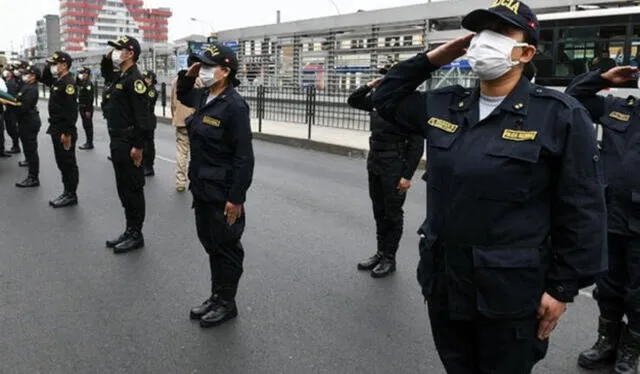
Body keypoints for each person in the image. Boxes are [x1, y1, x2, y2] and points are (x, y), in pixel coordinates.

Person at [371, 1, 607, 373]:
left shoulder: (560, 115)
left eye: (499, 33)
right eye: (480, 32)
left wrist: (562, 289)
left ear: (526, 52)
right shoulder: (447, 104)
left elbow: (583, 209)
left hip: (511, 293)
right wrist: (435, 57)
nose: (483, 41)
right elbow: (382, 98)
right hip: (446, 282)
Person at [567, 65, 640, 374]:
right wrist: (601, 79)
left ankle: (630, 351)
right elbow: (572, 100)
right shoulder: (619, 108)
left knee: (638, 292)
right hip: (610, 217)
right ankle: (606, 343)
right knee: (607, 285)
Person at [176, 43, 254, 328]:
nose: (204, 70)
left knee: (227, 247)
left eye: (209, 66)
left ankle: (227, 302)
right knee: (211, 244)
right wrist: (189, 72)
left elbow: (244, 157)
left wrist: (236, 198)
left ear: (225, 71)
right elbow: (183, 94)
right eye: (202, 65)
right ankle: (216, 295)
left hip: (223, 193)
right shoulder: (205, 96)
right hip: (203, 188)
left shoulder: (234, 106)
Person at [347, 65, 424, 278]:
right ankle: (380, 252)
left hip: (395, 163)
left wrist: (407, 175)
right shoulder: (379, 98)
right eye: (384, 77)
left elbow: (417, 144)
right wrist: (370, 85)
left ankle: (390, 258)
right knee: (378, 210)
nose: (386, 80)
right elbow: (353, 100)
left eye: (390, 77)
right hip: (375, 161)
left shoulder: (410, 101)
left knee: (393, 213)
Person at [101, 35, 152, 253]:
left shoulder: (135, 80)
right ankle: (129, 228)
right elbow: (106, 73)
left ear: (130, 53)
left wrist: (139, 146)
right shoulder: (120, 76)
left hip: (129, 140)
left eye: (118, 49)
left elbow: (144, 117)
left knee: (133, 188)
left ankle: (136, 233)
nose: (115, 52)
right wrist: (106, 57)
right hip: (117, 140)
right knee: (123, 188)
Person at [41, 52, 80, 208]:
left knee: (68, 162)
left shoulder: (68, 83)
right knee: (61, 162)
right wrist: (46, 65)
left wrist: (67, 133)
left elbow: (71, 111)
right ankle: (66, 191)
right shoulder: (59, 81)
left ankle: (71, 194)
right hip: (56, 127)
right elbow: (45, 79)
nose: (54, 66)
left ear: (64, 65)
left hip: (64, 129)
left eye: (56, 64)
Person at [171, 55, 201, 192]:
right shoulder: (200, 81)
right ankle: (196, 180)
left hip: (180, 120)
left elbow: (172, 102)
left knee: (181, 153)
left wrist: (175, 116)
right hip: (195, 120)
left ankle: (180, 182)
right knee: (197, 152)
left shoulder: (176, 80)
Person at [13, 65, 41, 188]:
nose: (25, 75)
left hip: (29, 122)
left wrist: (10, 105)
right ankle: (32, 174)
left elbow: (23, 107)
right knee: (28, 149)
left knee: (31, 150)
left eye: (27, 74)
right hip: (25, 122)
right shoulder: (27, 86)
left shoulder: (32, 89)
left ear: (33, 76)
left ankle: (33, 178)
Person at [142, 70, 158, 177]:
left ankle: (149, 166)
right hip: (143, 120)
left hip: (149, 121)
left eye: (146, 78)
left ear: (150, 79)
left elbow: (147, 102)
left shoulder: (151, 91)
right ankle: (144, 164)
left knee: (149, 144)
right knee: (143, 143)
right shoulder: (145, 89)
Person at [3, 67, 21, 155]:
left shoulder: (10, 83)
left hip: (10, 110)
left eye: (8, 71)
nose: (5, 72)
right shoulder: (8, 81)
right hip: (9, 110)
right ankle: (15, 145)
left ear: (11, 73)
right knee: (10, 128)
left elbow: (10, 97)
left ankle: (16, 146)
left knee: (12, 128)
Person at [76, 67, 95, 150]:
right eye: (82, 73)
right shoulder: (83, 82)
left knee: (88, 126)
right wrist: (78, 74)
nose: (83, 74)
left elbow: (90, 98)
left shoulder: (88, 84)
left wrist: (88, 110)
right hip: (82, 107)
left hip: (86, 108)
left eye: (85, 73)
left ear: (88, 75)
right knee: (85, 125)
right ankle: (88, 142)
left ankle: (89, 143)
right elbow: (77, 82)